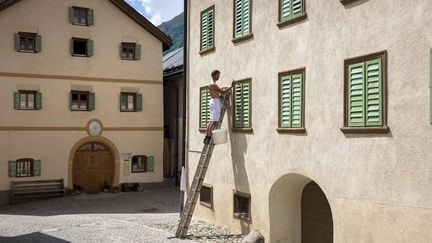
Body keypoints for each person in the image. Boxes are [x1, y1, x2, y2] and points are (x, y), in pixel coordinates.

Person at [204, 70, 232, 144]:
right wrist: (230, 87)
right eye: (218, 75)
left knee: (210, 121)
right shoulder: (213, 84)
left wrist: (221, 92)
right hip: (215, 103)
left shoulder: (210, 84)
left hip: (213, 101)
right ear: (214, 75)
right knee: (213, 122)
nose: (219, 77)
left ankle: (206, 137)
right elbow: (222, 92)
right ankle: (209, 138)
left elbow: (217, 93)